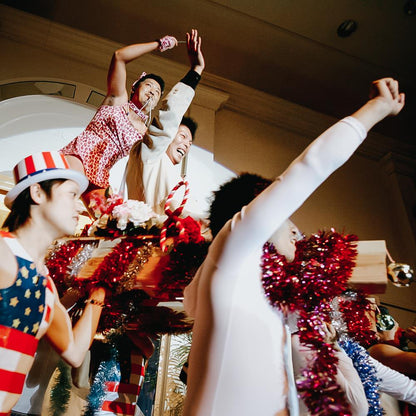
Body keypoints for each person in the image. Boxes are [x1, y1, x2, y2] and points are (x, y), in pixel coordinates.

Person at [183, 78, 405, 416]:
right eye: (285, 213)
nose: (296, 228)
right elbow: (310, 167)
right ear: (255, 207)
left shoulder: (272, 298)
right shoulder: (235, 247)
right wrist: (376, 109)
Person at [0, 151, 106, 414]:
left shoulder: (46, 286)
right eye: (71, 194)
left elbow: (75, 352)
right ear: (37, 193)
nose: (78, 205)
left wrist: (102, 288)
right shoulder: (3, 250)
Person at [60, 31, 201, 209]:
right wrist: (159, 44)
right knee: (62, 201)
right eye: (149, 85)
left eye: (157, 92)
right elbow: (119, 56)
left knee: (110, 223)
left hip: (100, 176)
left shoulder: (144, 133)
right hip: (78, 157)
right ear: (135, 87)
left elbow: (162, 138)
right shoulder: (117, 100)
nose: (152, 92)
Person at [125, 33, 204, 215]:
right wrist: (196, 71)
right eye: (183, 136)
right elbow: (170, 114)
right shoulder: (150, 154)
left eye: (189, 143)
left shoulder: (169, 172)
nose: (186, 144)